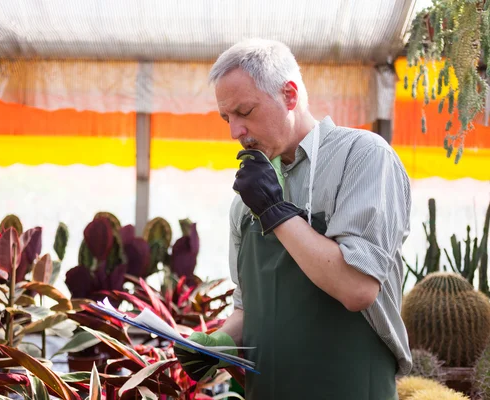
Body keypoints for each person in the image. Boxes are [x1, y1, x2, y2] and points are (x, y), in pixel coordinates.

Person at [174, 38, 413, 399]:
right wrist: (218, 343)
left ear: (289, 95)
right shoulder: (245, 202)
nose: (234, 133)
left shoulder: (362, 156)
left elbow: (358, 289)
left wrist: (274, 211)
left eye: (245, 111)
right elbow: (248, 307)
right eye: (227, 118)